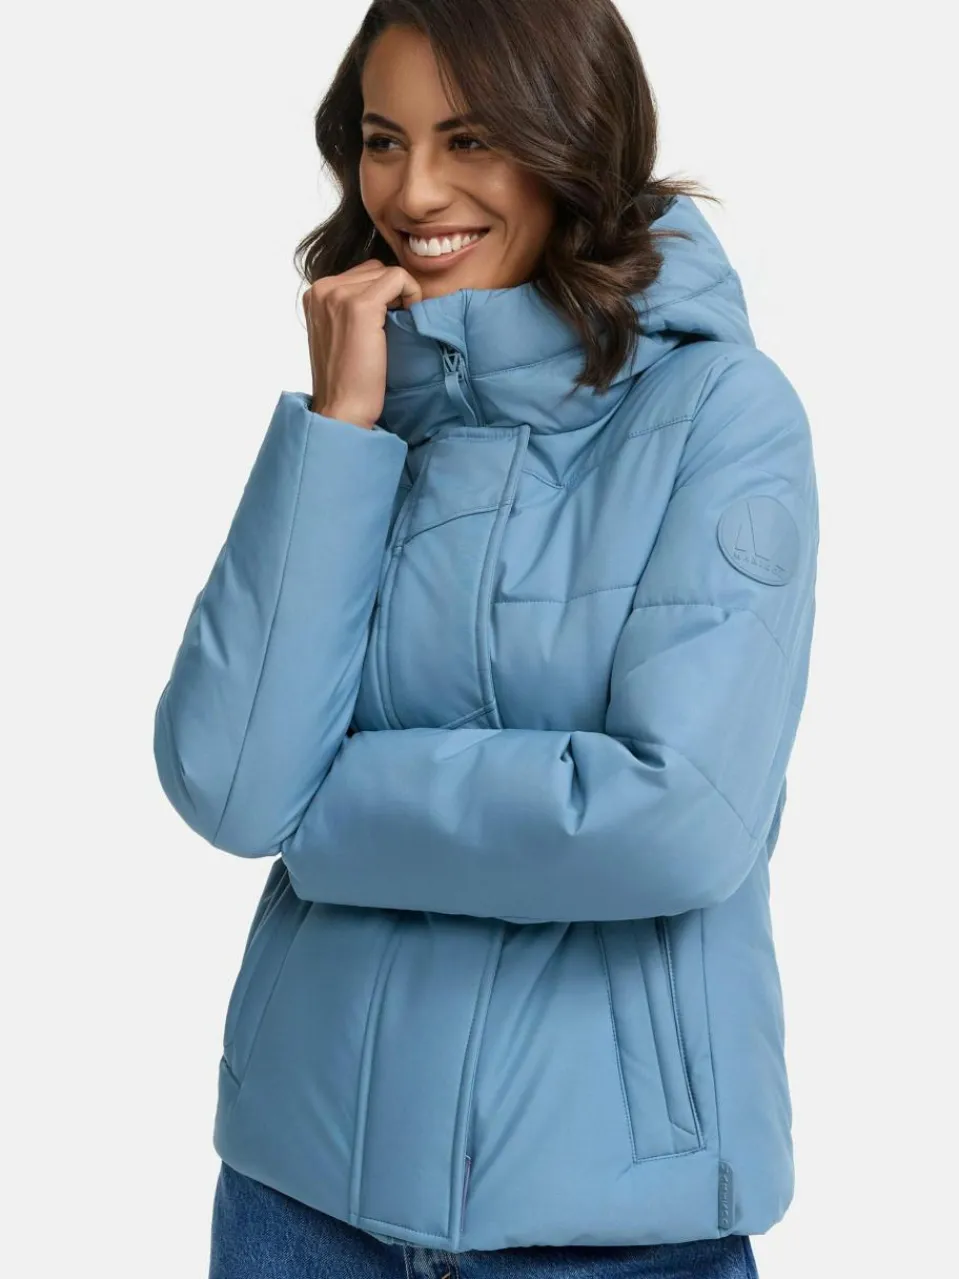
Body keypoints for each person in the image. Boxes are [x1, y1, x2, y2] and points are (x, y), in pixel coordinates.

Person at [153, 1, 818, 1275]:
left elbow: (676, 820)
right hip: (299, 1197)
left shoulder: (719, 411)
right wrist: (337, 432)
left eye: (469, 139)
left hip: (611, 1227)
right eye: (382, 140)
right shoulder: (363, 421)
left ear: (572, 139)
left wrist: (326, 810)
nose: (413, 192)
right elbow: (231, 790)